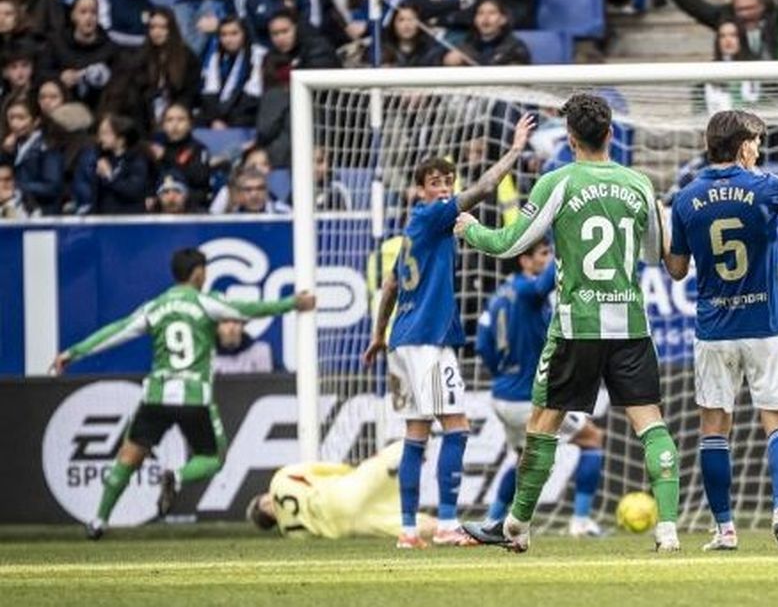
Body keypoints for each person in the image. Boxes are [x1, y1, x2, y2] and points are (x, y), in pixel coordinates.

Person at [454, 93, 683, 553]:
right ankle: (669, 531)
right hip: (631, 326)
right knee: (651, 424)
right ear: (611, 134)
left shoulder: (558, 181)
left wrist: (469, 229)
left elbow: (510, 242)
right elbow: (658, 254)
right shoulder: (638, 184)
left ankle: (516, 527)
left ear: (570, 139)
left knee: (543, 423)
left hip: (577, 324)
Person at [665, 110, 778, 550]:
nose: (760, 150)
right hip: (763, 325)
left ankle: (725, 530)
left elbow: (675, 270)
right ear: (744, 146)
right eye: (758, 142)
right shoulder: (763, 185)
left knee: (713, 429)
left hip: (714, 330)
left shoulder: (686, 198)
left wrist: (660, 233)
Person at [51, 247, 316, 540]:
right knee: (213, 457)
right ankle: (176, 477)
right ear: (199, 273)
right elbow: (249, 311)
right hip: (193, 396)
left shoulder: (155, 307)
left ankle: (98, 521)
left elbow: (116, 331)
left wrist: (73, 353)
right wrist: (292, 302)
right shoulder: (206, 303)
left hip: (157, 395)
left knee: (129, 456)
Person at [363, 112, 534, 549]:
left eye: (447, 180)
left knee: (416, 434)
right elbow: (482, 191)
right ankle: (446, 523)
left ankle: (407, 530)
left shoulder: (411, 231)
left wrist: (379, 335)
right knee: (456, 427)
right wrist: (514, 150)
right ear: (421, 189)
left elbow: (389, 286)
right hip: (427, 341)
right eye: (435, 182)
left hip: (402, 339)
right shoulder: (433, 215)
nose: (443, 188)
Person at [468, 240, 612, 540]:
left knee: (524, 460)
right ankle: (581, 521)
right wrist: (565, 246)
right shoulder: (526, 292)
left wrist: (502, 373)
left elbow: (482, 344)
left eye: (548, 253)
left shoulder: (498, 295)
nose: (547, 260)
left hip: (502, 394)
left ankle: (493, 521)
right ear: (524, 260)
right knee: (593, 440)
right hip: (526, 397)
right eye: (543, 254)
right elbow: (544, 285)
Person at [245, 442, 431, 539]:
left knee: (406, 528)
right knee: (406, 446)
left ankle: (447, 528)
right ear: (264, 500)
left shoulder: (291, 533)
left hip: (349, 524)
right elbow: (328, 468)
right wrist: (355, 471)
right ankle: (407, 456)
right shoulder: (279, 479)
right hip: (343, 492)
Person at [75, 114, 154, 215]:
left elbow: (133, 191)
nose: (100, 138)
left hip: (128, 221)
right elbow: (97, 196)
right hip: (104, 221)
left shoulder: (137, 160)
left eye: (105, 133)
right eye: (99, 133)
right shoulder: (102, 158)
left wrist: (109, 176)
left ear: (121, 139)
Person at [198, 16, 266, 130]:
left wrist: (226, 120)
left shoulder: (258, 55)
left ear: (244, 33)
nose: (228, 39)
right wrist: (215, 119)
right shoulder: (216, 56)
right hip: (220, 112)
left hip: (247, 111)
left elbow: (252, 96)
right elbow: (210, 91)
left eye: (234, 34)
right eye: (223, 35)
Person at [0, 96, 63, 214]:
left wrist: (16, 187)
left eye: (21, 118)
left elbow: (52, 187)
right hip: (16, 212)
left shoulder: (47, 147)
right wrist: (5, 152)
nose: (15, 123)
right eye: (11, 118)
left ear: (36, 121)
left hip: (43, 214)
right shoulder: (10, 145)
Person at [152, 104, 213, 209]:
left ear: (190, 124)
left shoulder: (198, 148)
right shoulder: (156, 148)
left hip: (191, 204)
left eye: (181, 119)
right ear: (163, 125)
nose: (175, 125)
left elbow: (199, 179)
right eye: (169, 120)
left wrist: (166, 157)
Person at [441, 0, 531, 66]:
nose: (485, 18)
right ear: (475, 20)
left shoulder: (515, 47)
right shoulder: (466, 46)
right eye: (480, 13)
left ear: (503, 20)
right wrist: (446, 60)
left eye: (492, 13)